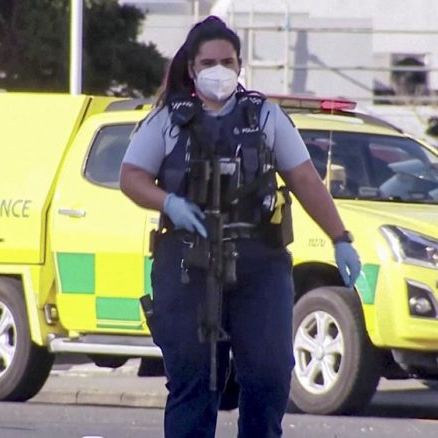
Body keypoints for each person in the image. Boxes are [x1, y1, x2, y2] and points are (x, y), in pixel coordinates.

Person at [119, 16, 361, 438]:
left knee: (269, 375)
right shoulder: (167, 120)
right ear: (192, 68)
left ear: (240, 64)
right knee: (195, 379)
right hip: (188, 262)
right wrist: (170, 203)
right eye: (209, 62)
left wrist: (340, 238)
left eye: (227, 61)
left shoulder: (264, 116)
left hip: (259, 263)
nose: (219, 69)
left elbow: (304, 178)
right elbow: (131, 177)